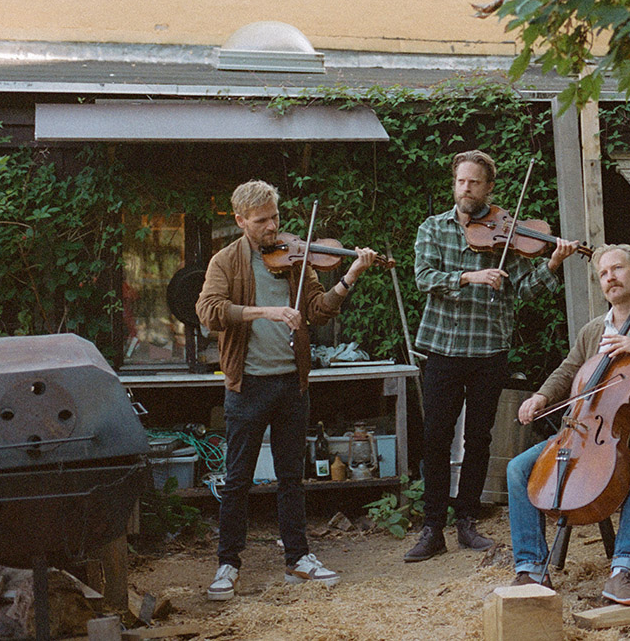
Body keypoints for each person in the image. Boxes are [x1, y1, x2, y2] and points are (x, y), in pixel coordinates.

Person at [196, 179, 380, 601]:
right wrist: (267, 312)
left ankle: (298, 559)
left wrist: (350, 275)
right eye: (262, 220)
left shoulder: (296, 258)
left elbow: (316, 309)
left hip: (291, 386)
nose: (272, 227)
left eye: (275, 217)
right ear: (241, 220)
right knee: (238, 480)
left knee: (291, 479)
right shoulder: (225, 262)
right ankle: (228, 564)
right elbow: (209, 312)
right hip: (247, 387)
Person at [405, 150, 580, 562]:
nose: (466, 189)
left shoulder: (508, 233)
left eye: (475, 183)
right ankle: (432, 528)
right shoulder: (433, 228)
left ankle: (466, 521)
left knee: (478, 439)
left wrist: (553, 263)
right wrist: (470, 276)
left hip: (489, 349)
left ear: (489, 188)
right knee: (434, 439)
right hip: (444, 349)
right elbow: (424, 278)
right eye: (461, 182)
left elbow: (525, 290)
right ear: (455, 184)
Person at [506, 244, 630, 605]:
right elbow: (568, 369)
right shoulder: (594, 330)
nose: (609, 277)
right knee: (519, 468)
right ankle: (531, 567)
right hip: (583, 429)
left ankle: (624, 571)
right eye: (603, 274)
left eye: (617, 269)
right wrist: (541, 397)